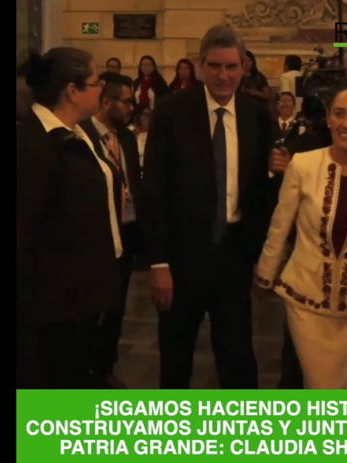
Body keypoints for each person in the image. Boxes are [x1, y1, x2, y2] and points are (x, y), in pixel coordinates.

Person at [142, 25, 273, 389]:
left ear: (244, 67)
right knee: (175, 359)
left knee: (238, 359)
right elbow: (154, 189)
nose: (223, 75)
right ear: (201, 66)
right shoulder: (171, 112)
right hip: (181, 259)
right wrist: (159, 263)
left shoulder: (256, 114)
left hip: (235, 257)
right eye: (215, 65)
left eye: (231, 66)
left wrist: (260, 256)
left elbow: (262, 192)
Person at [254, 74, 347, 389]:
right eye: (339, 113)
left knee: (344, 388)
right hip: (305, 300)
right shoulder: (302, 165)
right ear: (329, 118)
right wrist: (265, 274)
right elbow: (280, 226)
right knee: (322, 386)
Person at [16, 48, 123, 388]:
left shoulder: (78, 130)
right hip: (53, 304)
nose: (101, 89)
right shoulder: (33, 142)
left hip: (81, 295)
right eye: (95, 82)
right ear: (72, 91)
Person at [79, 72, 143, 389]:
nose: (132, 108)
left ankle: (105, 366)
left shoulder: (127, 138)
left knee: (117, 305)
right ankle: (83, 371)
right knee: (91, 308)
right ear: (107, 102)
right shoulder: (82, 136)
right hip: (98, 236)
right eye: (127, 102)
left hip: (127, 232)